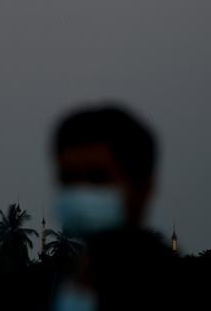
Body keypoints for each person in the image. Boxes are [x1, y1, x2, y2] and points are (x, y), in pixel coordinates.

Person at [50, 104, 175, 311]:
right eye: (69, 178)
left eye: (98, 179)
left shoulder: (161, 288)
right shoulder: (68, 284)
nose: (81, 192)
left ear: (143, 187)